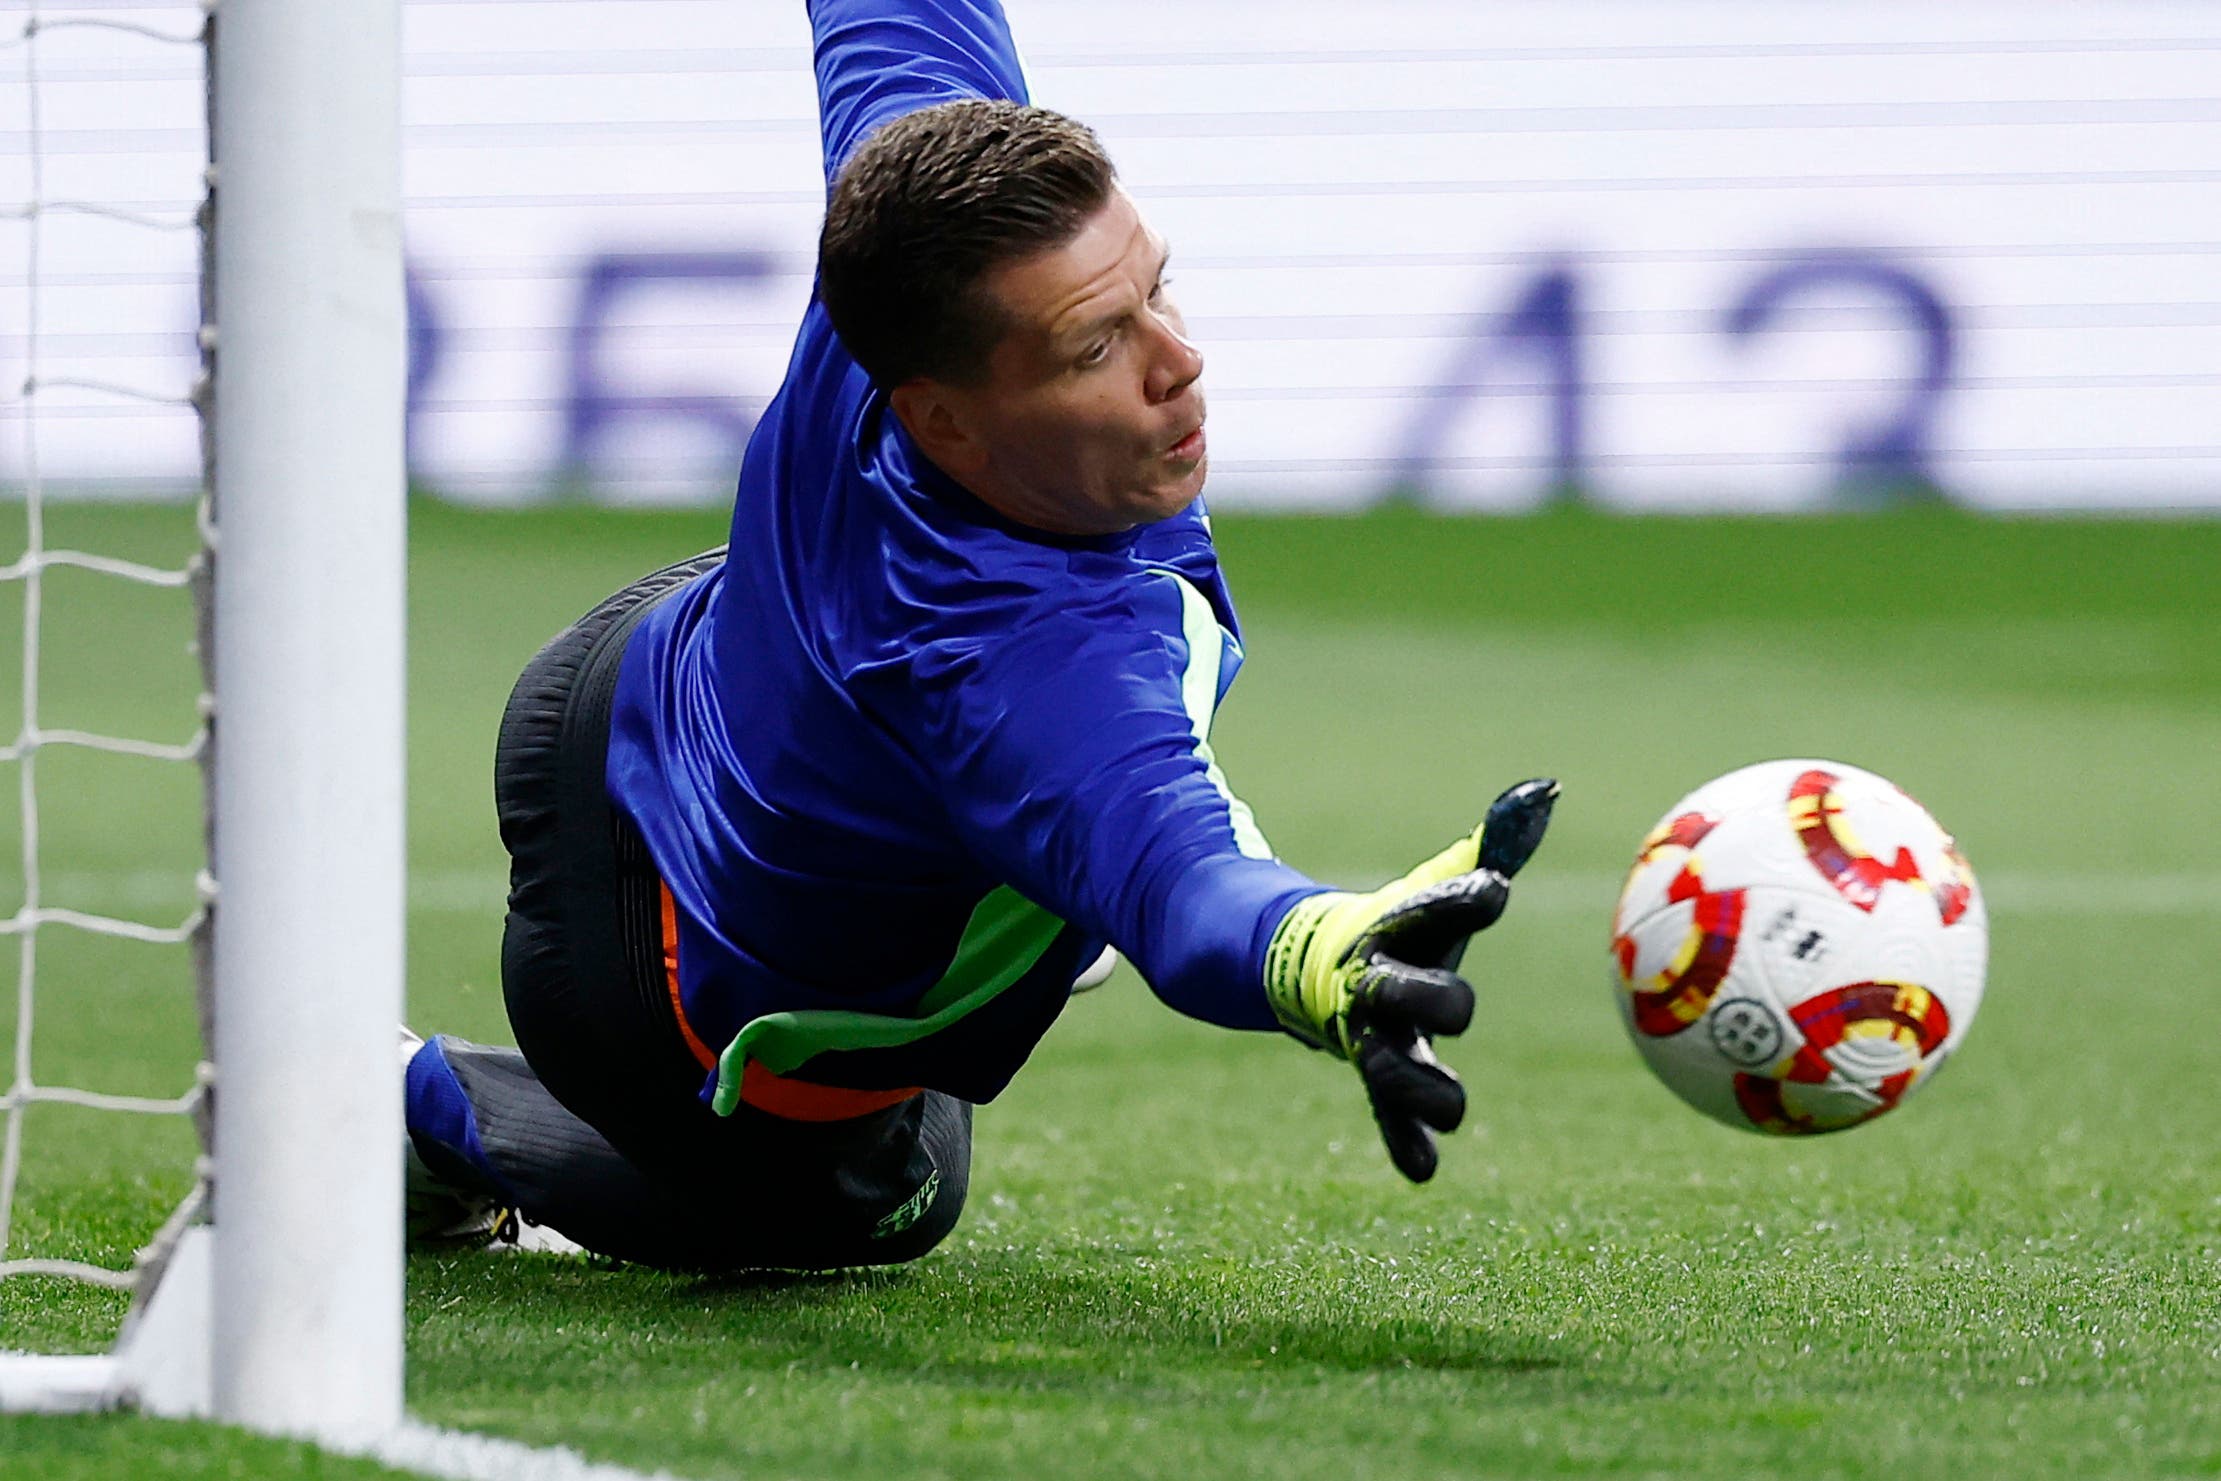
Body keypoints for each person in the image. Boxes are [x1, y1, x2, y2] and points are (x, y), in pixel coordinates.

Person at [403, 0, 1558, 1272]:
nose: (1177, 360)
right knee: (876, 1203)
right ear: (944, 420)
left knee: (1013, 854)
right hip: (651, 978)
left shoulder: (921, 219)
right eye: (1096, 345)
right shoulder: (1022, 664)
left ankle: (1030, 886)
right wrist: (1320, 954)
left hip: (642, 676)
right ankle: (405, 1102)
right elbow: (1183, 882)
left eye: (1156, 285)